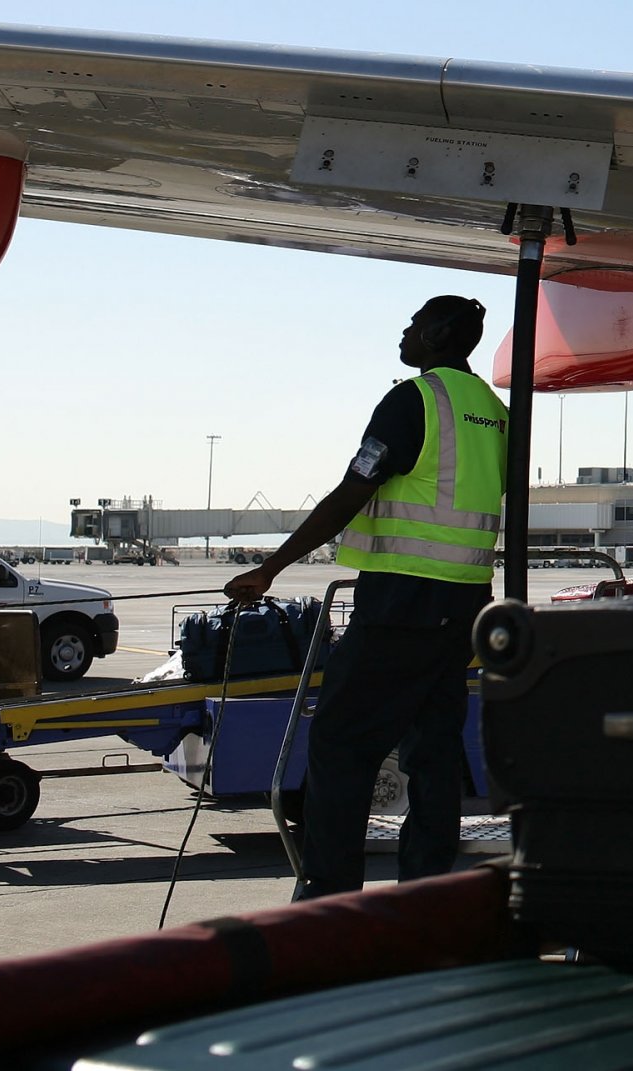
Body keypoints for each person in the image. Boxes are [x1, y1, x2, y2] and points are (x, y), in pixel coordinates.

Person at [224, 295, 507, 898]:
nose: (404, 333)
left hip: (402, 602)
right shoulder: (493, 408)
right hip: (464, 605)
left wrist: (271, 567)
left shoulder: (415, 399)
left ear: (435, 333)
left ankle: (328, 894)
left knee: (341, 745)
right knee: (433, 754)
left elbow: (352, 491)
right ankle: (425, 894)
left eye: (412, 324)